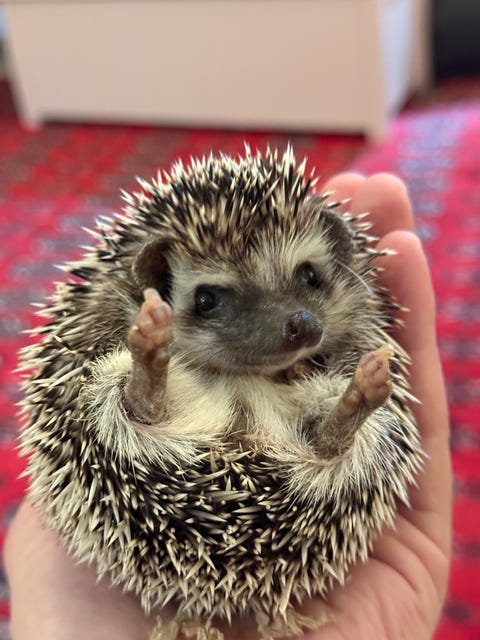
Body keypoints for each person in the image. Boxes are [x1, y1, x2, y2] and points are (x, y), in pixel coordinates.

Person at [4, 172, 451, 640]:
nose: (292, 321)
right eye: (212, 300)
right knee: (111, 399)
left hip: (285, 441)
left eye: (306, 277)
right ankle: (154, 382)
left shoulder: (350, 322)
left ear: (336, 255)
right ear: (155, 284)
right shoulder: (114, 317)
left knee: (345, 432)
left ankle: (333, 419)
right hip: (176, 439)